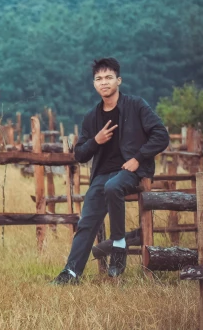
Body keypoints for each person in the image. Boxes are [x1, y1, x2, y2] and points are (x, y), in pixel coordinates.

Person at [52, 57, 169, 284]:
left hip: (130, 170)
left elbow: (161, 135)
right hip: (102, 175)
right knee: (86, 222)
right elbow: (80, 154)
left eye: (108, 78)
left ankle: (118, 245)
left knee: (113, 186)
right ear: (94, 84)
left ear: (119, 80)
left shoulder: (136, 105)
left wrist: (138, 158)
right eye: (98, 79)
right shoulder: (92, 116)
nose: (103, 82)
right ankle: (71, 273)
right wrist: (96, 140)